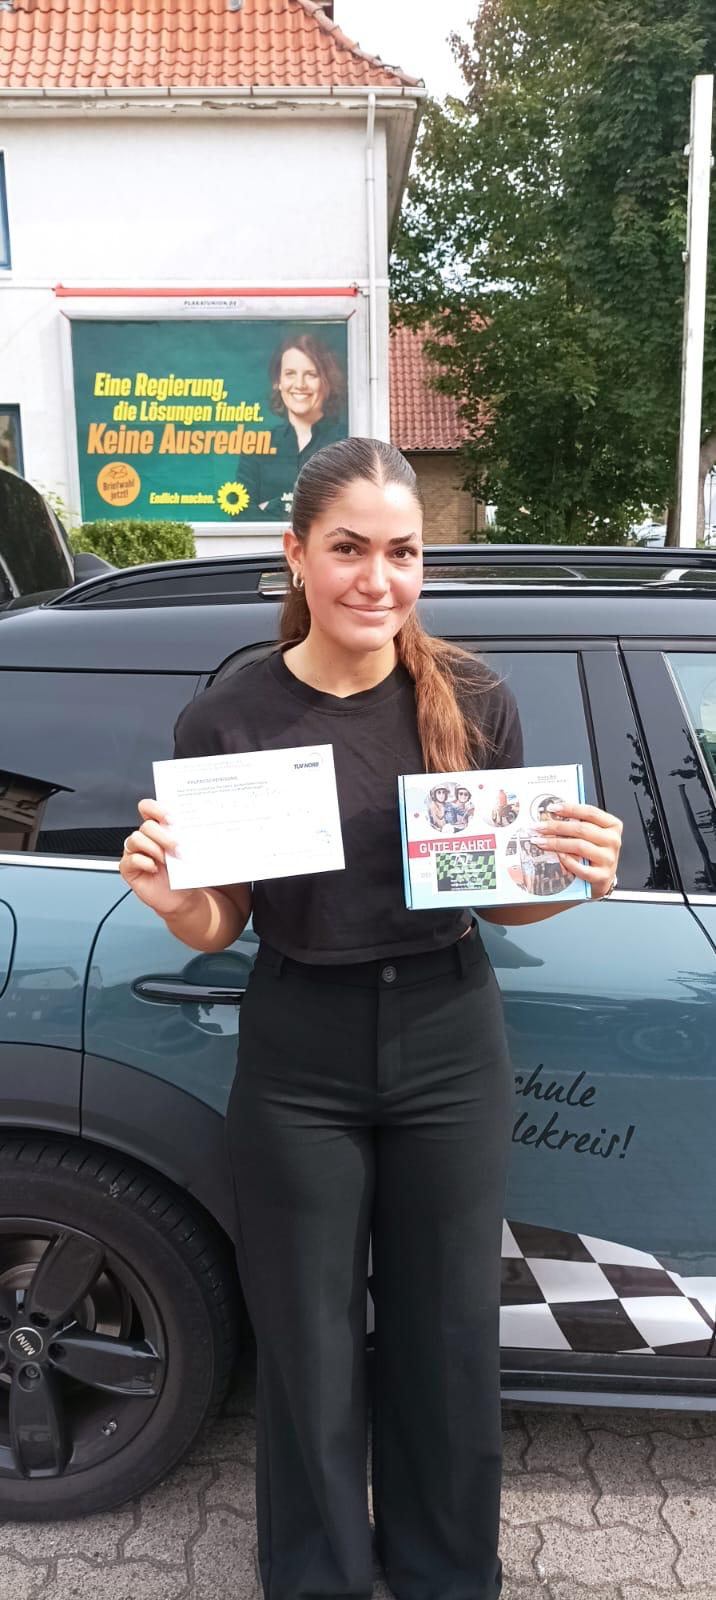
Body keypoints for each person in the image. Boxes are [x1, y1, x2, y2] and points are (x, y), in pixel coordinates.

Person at [119, 437, 622, 1600]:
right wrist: (174, 900)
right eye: (348, 549)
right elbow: (220, 917)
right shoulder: (231, 714)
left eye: (402, 552)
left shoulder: (471, 698)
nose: (377, 579)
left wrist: (570, 877)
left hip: (448, 1036)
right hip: (298, 1048)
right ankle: (318, 1576)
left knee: (447, 1330)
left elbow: (499, 897)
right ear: (296, 554)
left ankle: (446, 1572)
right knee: (306, 1338)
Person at [238, 330, 347, 518]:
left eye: (311, 374)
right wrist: (285, 506)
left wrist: (272, 506)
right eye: (290, 374)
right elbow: (241, 515)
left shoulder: (346, 442)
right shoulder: (257, 446)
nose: (300, 384)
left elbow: (347, 511)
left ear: (326, 382)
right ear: (277, 382)